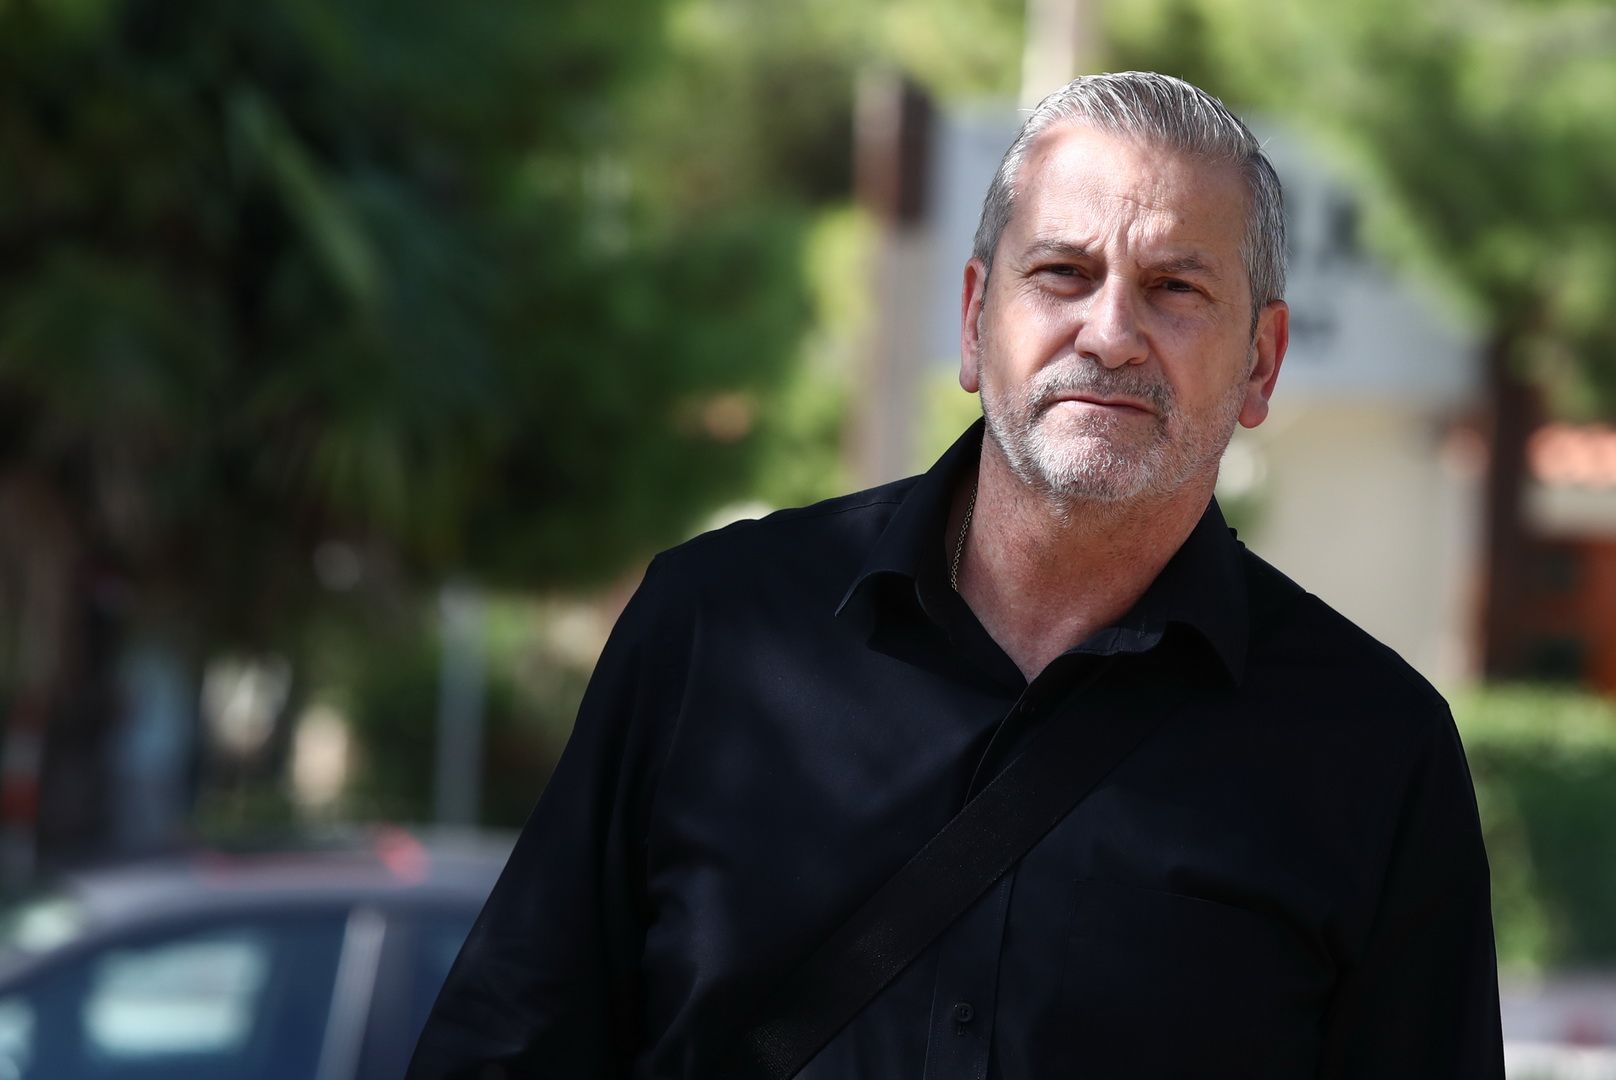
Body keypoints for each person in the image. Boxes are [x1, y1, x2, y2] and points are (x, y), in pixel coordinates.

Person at [409, 71, 1503, 1079]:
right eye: (1063, 273)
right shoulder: (715, 628)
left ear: (1260, 362)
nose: (1111, 333)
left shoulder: (1376, 751)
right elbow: (500, 1055)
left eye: (1175, 287)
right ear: (976, 319)